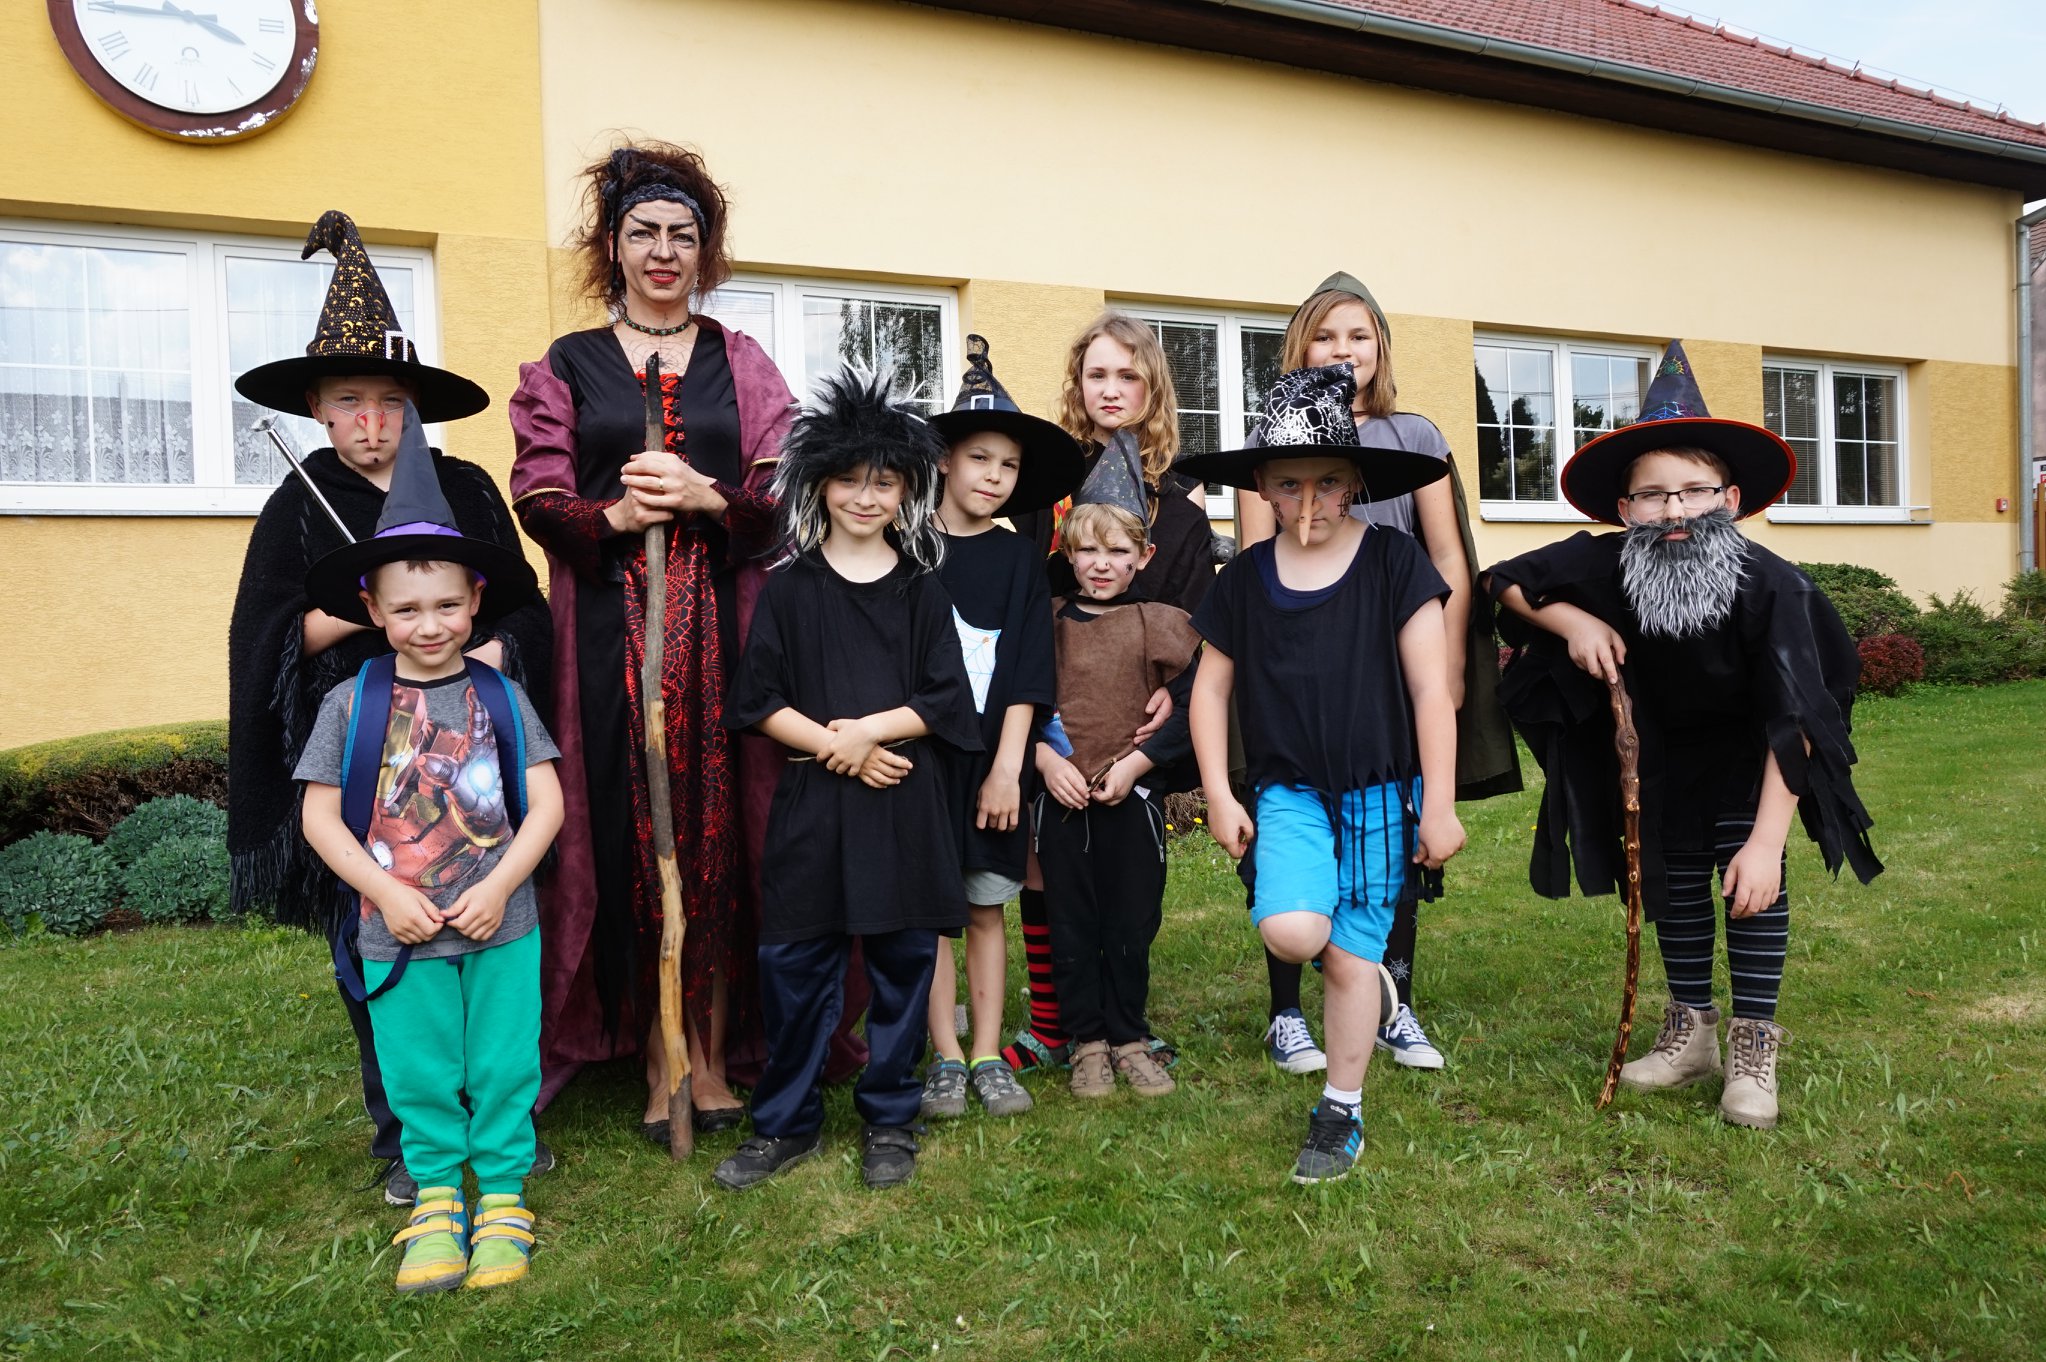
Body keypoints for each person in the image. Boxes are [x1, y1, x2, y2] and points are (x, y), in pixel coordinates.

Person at [511, 142, 857, 1137]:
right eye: (644, 234)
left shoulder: (740, 361)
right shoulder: (565, 365)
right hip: (609, 641)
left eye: (682, 236)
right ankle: (654, 1052)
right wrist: (615, 517)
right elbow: (537, 491)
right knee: (627, 831)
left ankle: (713, 1052)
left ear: (704, 253)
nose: (663, 252)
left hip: (728, 636)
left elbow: (787, 493)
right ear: (612, 247)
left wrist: (708, 496)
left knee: (725, 833)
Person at [227, 209, 553, 1206]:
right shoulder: (299, 503)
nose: (372, 423)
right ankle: (405, 1129)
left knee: (492, 943)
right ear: (317, 411)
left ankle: (502, 1118)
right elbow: (264, 634)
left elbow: (524, 608)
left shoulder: (465, 487)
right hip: (365, 760)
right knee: (378, 943)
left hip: (471, 756)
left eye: (390, 403)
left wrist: (488, 646)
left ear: (415, 409)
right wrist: (359, 607)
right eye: (349, 403)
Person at [1485, 341, 1881, 1129]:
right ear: (1624, 507)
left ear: (1729, 499)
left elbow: (1798, 719)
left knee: (1749, 885)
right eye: (1653, 496)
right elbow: (1504, 580)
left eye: (1694, 492)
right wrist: (1573, 622)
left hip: (1756, 758)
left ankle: (1752, 1047)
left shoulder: (1773, 588)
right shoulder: (1609, 564)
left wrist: (1767, 842)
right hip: (1661, 758)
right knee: (1673, 880)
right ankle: (1690, 1033)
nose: (1673, 512)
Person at [294, 409, 563, 1293]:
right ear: (372, 609)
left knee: (504, 1064)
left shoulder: (502, 696)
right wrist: (385, 894)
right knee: (418, 1071)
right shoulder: (351, 705)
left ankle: (505, 1199)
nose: (429, 624)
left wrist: (503, 886)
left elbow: (547, 804)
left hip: (501, 927)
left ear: (476, 600)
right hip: (397, 934)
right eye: (406, 609)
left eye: (447, 604)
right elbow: (321, 820)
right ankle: (439, 1202)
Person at [1184, 363, 1464, 1184]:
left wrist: (1440, 805)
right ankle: (1360, 970)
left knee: (1345, 961)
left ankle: (1342, 1108)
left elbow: (1431, 690)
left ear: (1354, 485)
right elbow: (1210, 691)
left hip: (1382, 793)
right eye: (1289, 482)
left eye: (1328, 481)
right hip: (1290, 792)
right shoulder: (1244, 580)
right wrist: (1218, 793)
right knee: (1295, 933)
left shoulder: (1394, 562)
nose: (1309, 499)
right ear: (1263, 489)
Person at [1235, 273, 1521, 1076]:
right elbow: (1256, 560)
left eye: (1358, 335)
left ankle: (1394, 997)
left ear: (1381, 347)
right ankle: (1287, 1012)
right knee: (1291, 831)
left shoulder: (1415, 436)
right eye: (1325, 336)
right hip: (1296, 673)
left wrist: (1453, 665)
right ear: (1299, 349)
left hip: (1396, 664)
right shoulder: (1271, 437)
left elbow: (1447, 558)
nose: (1342, 350)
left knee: (1388, 831)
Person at [715, 371, 981, 1192]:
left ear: (906, 492)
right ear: (820, 483)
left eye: (885, 482)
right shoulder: (790, 590)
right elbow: (759, 701)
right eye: (850, 480)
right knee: (796, 967)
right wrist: (842, 748)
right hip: (814, 805)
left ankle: (891, 1116)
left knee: (903, 965)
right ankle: (784, 1122)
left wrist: (869, 732)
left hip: (904, 806)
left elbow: (946, 699)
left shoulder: (921, 590)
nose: (866, 498)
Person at [1000, 311, 1214, 1076]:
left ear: (1153, 387)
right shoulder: (1043, 495)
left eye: (1128, 375)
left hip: (1138, 725)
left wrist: (1176, 695)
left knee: (1126, 882)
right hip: (1053, 714)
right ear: (1077, 384)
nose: (1112, 389)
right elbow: (1025, 607)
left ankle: (1122, 1020)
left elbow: (1200, 628)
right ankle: (1054, 1021)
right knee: (1044, 865)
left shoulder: (1180, 511)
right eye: (1097, 374)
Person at [918, 337, 1084, 1121]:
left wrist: (1007, 768)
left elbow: (1027, 672)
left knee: (986, 906)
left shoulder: (1021, 561)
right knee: (933, 913)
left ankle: (986, 1052)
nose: (993, 476)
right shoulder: (908, 549)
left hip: (995, 766)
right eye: (979, 458)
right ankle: (944, 1057)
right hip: (921, 767)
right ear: (944, 460)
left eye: (1009, 466)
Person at [1035, 503, 1200, 1099]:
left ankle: (1129, 1035)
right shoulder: (1046, 621)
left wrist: (1136, 766)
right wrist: (1045, 761)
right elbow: (1011, 700)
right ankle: (1086, 1041)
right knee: (1070, 922)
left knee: (1131, 920)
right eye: (1087, 550)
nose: (1101, 565)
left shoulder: (1160, 622)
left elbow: (1199, 702)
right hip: (1061, 797)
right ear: (1067, 554)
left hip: (1133, 797)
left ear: (1144, 557)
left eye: (1117, 552)